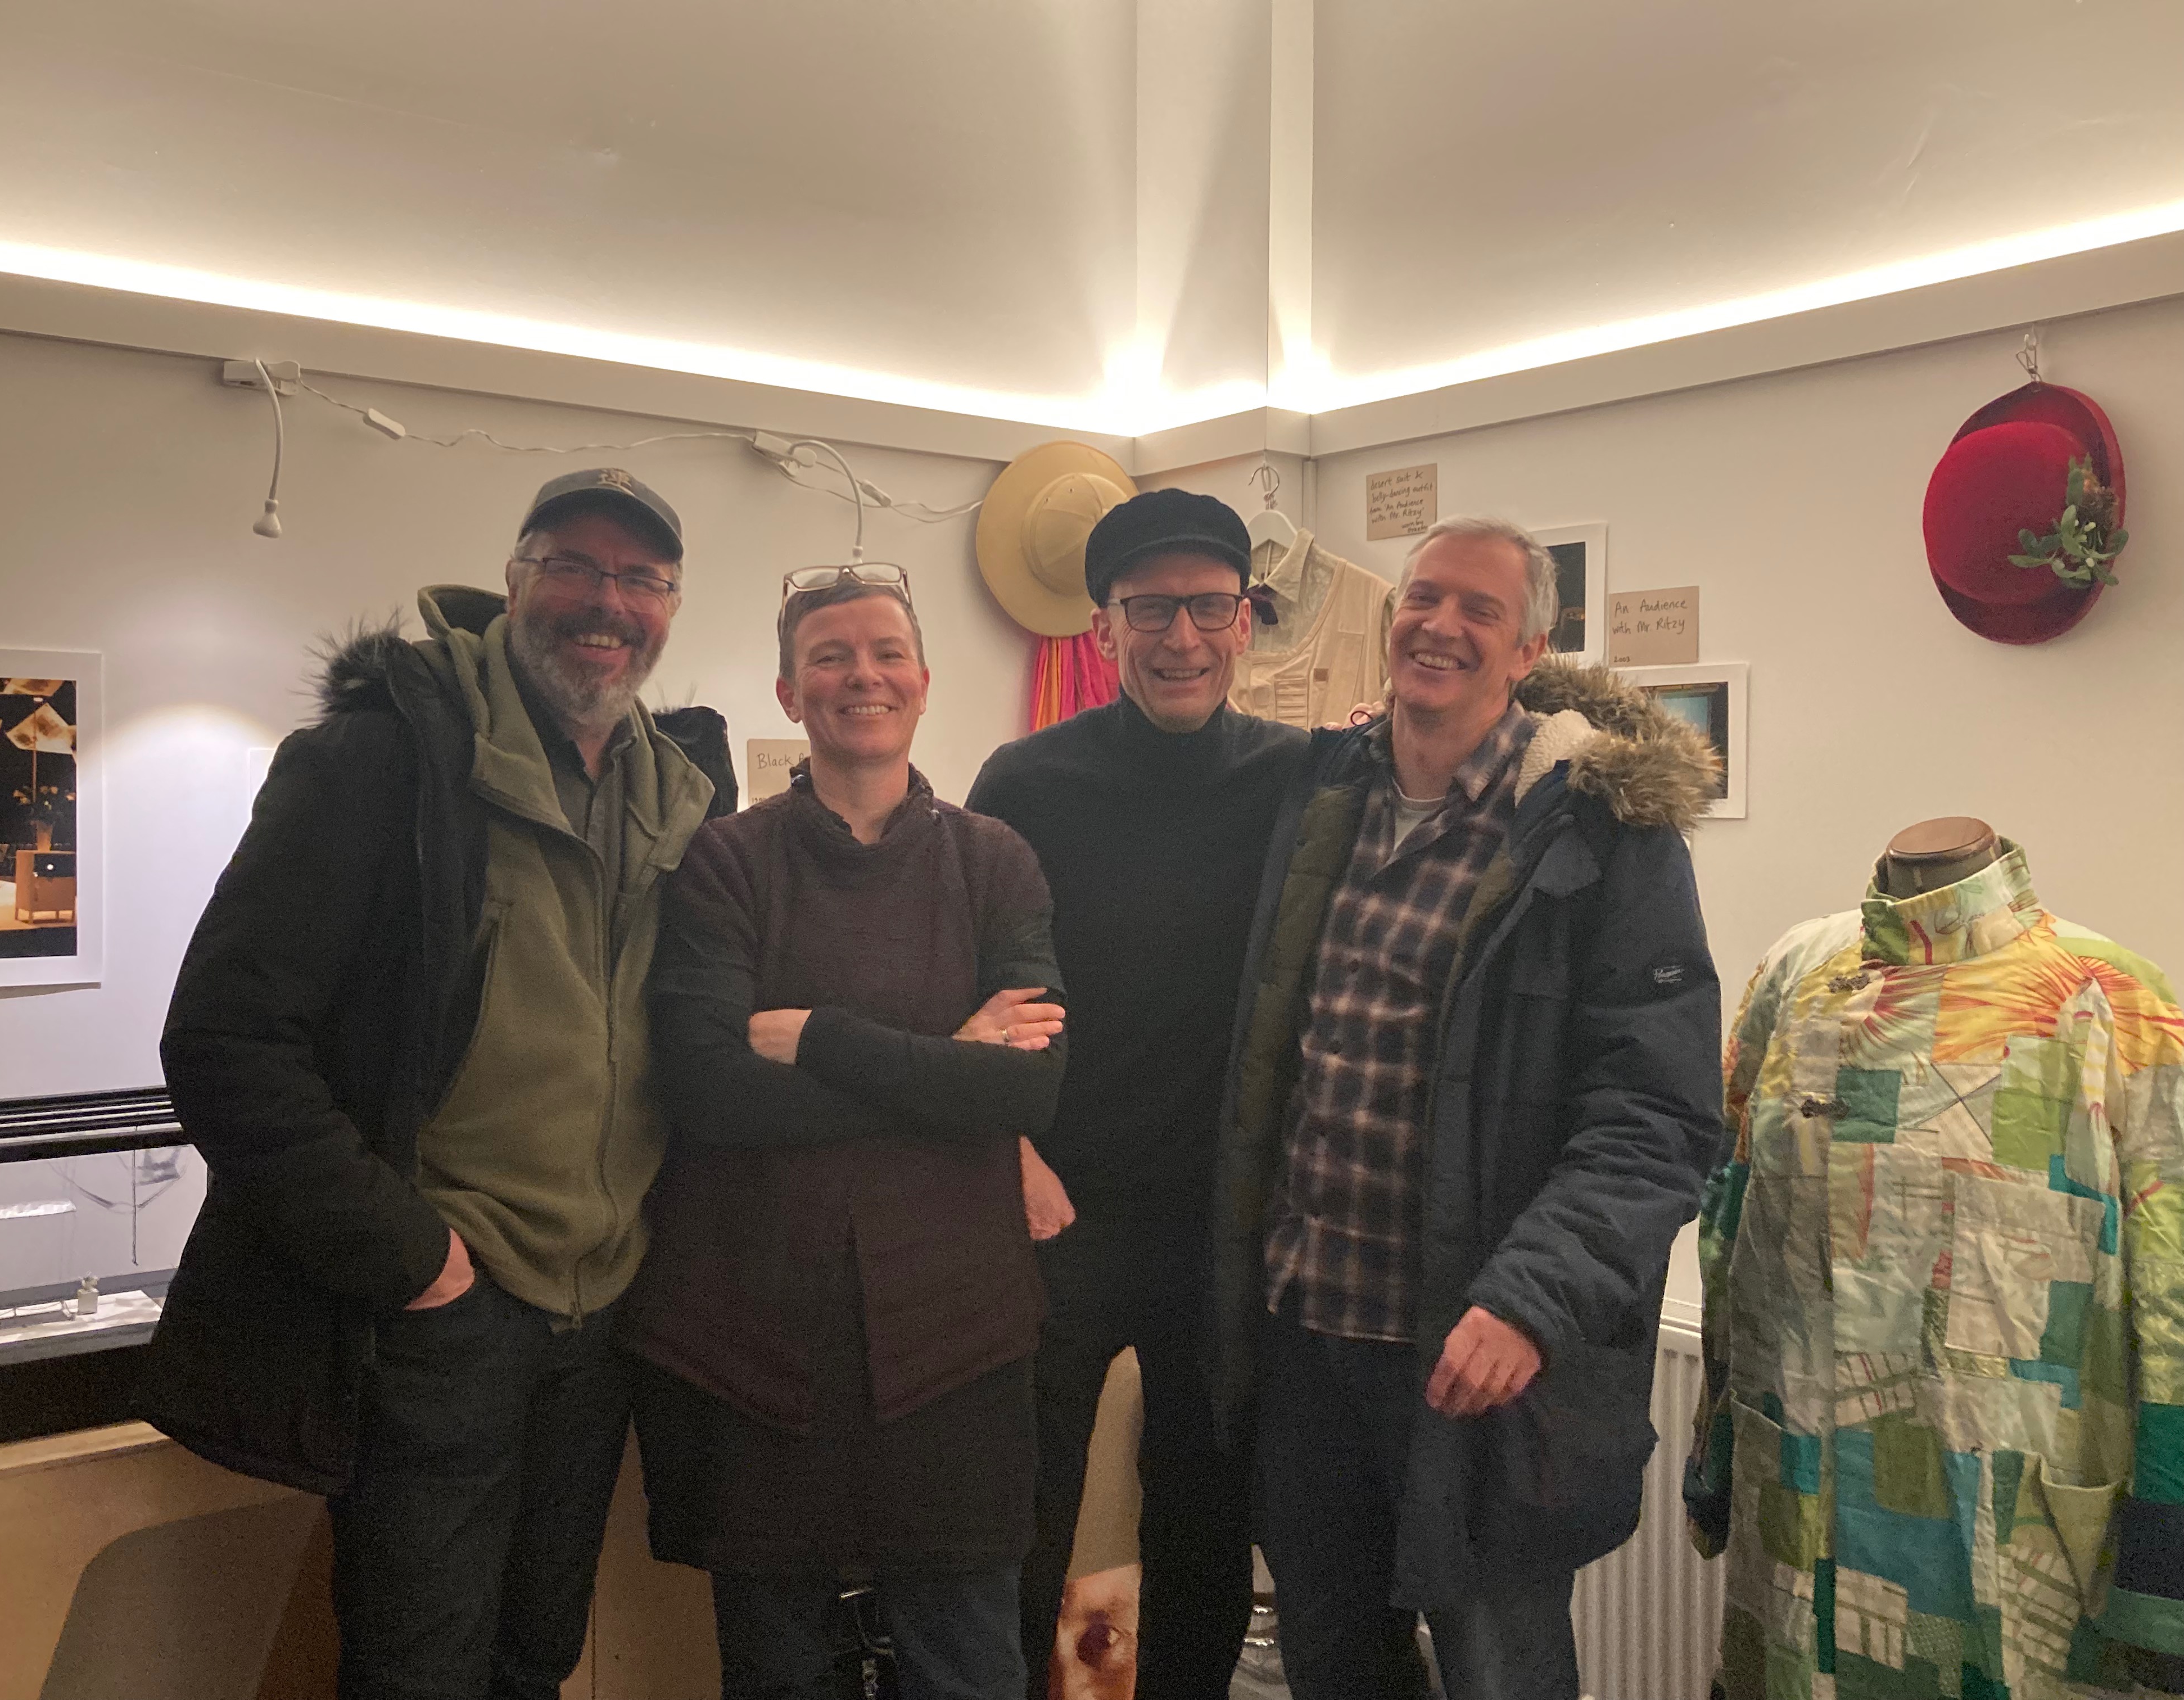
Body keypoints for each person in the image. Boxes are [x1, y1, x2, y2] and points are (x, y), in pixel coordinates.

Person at [141, 468, 730, 1700]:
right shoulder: (379, 763)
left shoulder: (679, 794)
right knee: (417, 1673)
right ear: (513, 581)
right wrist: (415, 1261)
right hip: (447, 1315)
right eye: (573, 565)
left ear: (671, 608)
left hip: (603, 1318)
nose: (607, 601)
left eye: (642, 578)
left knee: (535, 1661)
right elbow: (226, 1039)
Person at [1209, 516, 1725, 1699]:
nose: (1440, 626)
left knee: (1502, 1669)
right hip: (1308, 1336)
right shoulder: (1325, 793)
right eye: (1423, 597)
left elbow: (1656, 1118)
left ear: (1530, 646)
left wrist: (1528, 1302)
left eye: (1479, 609)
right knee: (1334, 1666)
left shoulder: (1601, 833)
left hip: (1479, 1361)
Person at [618, 563, 1068, 1699]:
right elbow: (712, 1093)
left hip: (959, 1340)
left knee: (971, 1669)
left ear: (922, 681)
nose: (861, 676)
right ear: (789, 691)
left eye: (884, 654)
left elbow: (1027, 1093)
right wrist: (948, 1061)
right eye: (830, 658)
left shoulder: (995, 861)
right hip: (757, 1340)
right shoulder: (726, 861)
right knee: (778, 1674)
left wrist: (823, 1038)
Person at [968, 489, 1309, 1698]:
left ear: (1245, 622)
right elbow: (968, 982)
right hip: (1058, 1204)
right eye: (1151, 609)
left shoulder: (1298, 780)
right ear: (1103, 628)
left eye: (1209, 608)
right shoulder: (1027, 781)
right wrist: (1008, 1151)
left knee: (1206, 1518)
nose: (1183, 638)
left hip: (1225, 1219)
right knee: (1021, 1514)